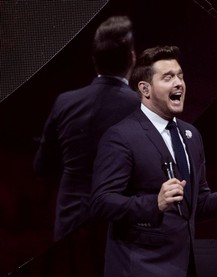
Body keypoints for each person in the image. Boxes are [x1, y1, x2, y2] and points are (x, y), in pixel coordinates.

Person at [90, 45, 217, 277]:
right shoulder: (122, 136)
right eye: (168, 77)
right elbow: (101, 202)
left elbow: (198, 204)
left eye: (180, 76)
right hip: (139, 271)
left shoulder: (191, 136)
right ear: (145, 89)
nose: (179, 83)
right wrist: (154, 204)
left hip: (183, 270)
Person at [33, 15, 140, 242]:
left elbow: (42, 166)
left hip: (70, 228)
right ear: (132, 59)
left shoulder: (64, 102)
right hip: (119, 230)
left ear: (94, 59)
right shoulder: (141, 108)